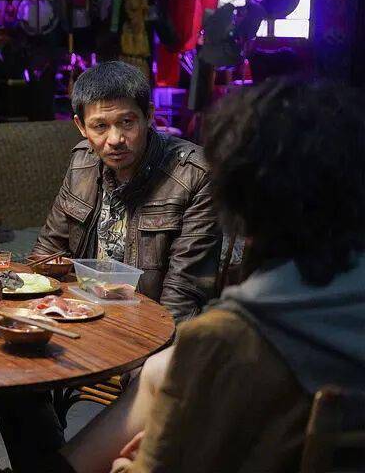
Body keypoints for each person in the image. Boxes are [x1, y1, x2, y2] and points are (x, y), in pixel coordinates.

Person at [63, 77, 365, 473]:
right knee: (158, 371)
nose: (115, 138)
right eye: (101, 126)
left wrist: (125, 463)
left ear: (240, 201)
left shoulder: (225, 339)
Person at [33, 60, 221, 322]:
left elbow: (183, 293)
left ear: (149, 115)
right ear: (81, 126)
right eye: (100, 126)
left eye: (127, 122)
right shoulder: (82, 161)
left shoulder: (195, 173)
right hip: (84, 313)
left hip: (150, 323)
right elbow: (48, 254)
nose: (115, 140)